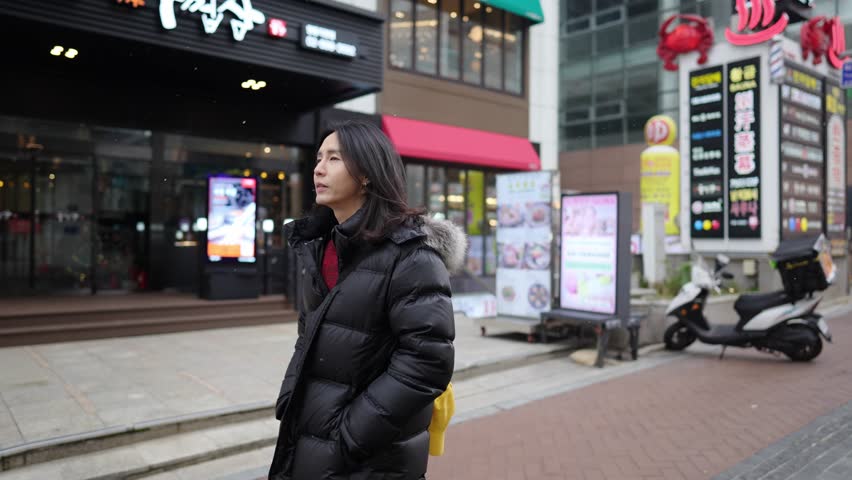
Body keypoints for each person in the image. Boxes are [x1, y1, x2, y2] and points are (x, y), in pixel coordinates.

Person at [269, 121, 465, 480]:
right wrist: (290, 398)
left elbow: (428, 361)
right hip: (310, 436)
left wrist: (350, 435)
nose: (318, 168)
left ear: (366, 174)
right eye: (318, 157)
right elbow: (306, 337)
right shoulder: (320, 249)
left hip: (371, 457)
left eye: (334, 158)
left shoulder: (411, 256)